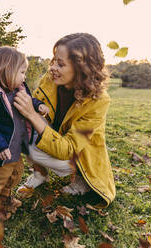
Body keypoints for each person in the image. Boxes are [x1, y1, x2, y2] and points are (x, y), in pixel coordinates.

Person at [14, 33, 116, 208]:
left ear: (82, 69)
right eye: (53, 60)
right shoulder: (51, 79)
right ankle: (40, 174)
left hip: (77, 155)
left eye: (60, 64)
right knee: (20, 131)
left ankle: (81, 179)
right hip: (54, 137)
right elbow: (36, 112)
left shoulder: (99, 100)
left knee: (32, 130)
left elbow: (68, 149)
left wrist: (31, 114)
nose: (52, 67)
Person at [0, 46, 49, 220]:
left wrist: (37, 106)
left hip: (14, 147)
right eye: (22, 72)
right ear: (7, 71)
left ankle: (5, 199)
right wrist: (0, 145)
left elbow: (28, 100)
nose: (24, 76)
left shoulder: (18, 89)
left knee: (15, 174)